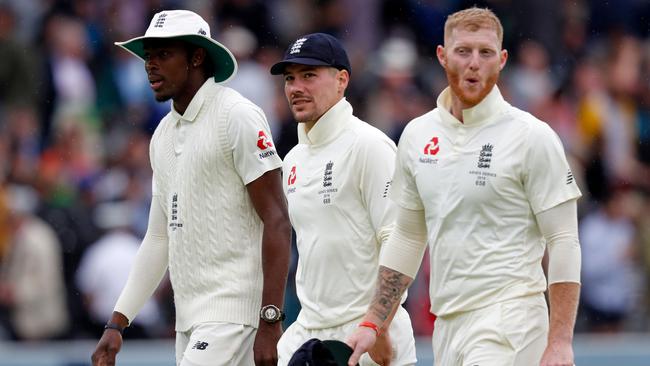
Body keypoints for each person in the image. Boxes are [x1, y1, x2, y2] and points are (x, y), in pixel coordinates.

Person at [347, 7, 582, 366]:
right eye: (463, 51)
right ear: (442, 56)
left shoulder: (532, 137)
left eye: (485, 52)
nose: (474, 63)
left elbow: (564, 240)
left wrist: (561, 340)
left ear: (502, 60)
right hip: (448, 327)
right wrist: (374, 321)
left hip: (511, 320)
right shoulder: (417, 135)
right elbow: (408, 237)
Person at [91, 10, 291, 366]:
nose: (151, 66)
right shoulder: (163, 136)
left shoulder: (237, 116)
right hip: (190, 321)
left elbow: (277, 220)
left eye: (163, 55)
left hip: (235, 318)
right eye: (148, 57)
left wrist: (270, 320)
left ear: (197, 57)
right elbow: (157, 238)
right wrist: (117, 322)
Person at [269, 33, 416, 366]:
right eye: (290, 78)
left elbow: (400, 239)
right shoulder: (292, 160)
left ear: (341, 80)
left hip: (368, 337)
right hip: (308, 334)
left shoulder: (369, 146)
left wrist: (377, 324)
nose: (295, 87)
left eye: (309, 75)